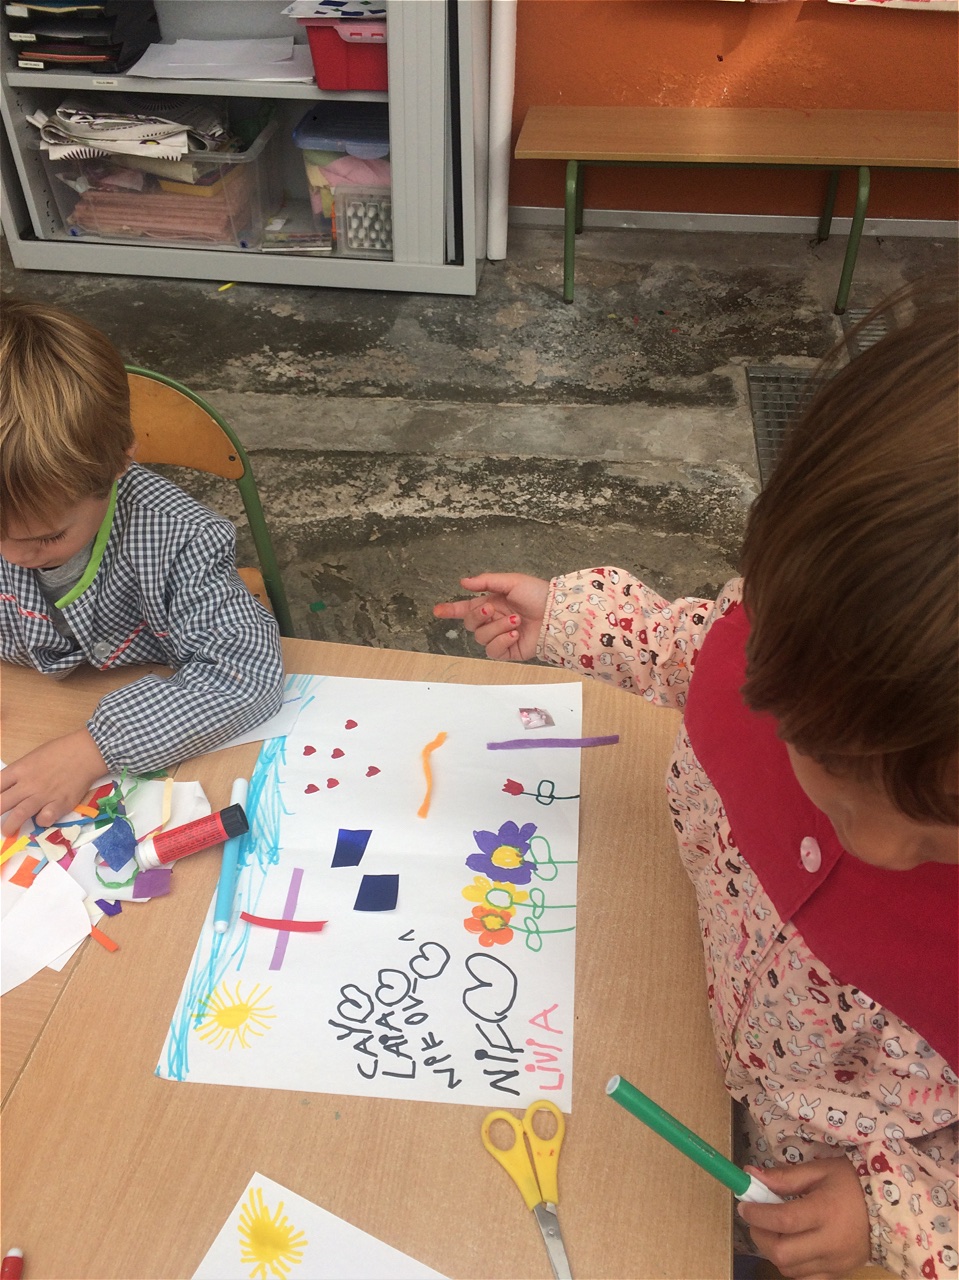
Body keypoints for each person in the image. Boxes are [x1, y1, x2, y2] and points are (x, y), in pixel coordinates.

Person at [435, 288, 958, 1280]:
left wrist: (898, 1209)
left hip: (834, 1179)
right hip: (682, 1007)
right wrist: (572, 620)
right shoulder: (788, 638)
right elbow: (697, 648)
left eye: (941, 830)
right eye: (831, 771)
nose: (875, 845)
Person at [0, 299, 285, 835]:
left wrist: (92, 749)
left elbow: (245, 671)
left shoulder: (182, 539)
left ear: (118, 463)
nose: (12, 556)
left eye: (47, 537)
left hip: (135, 738)